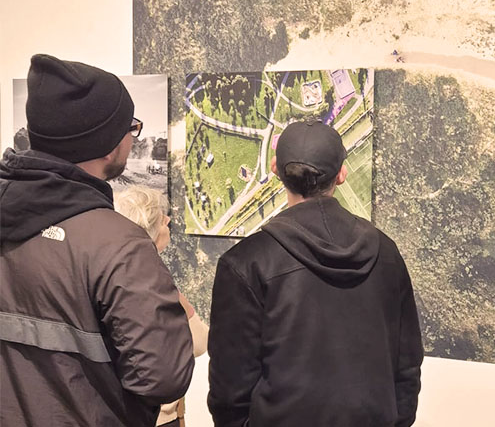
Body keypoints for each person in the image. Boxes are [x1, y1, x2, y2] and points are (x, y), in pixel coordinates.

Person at [0, 54, 194, 426]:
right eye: (130, 128)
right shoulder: (120, 244)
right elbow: (164, 376)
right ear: (109, 144)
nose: (132, 137)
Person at [208, 119, 423, 427]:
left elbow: (230, 390)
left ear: (274, 169)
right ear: (341, 175)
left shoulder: (245, 263)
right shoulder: (386, 252)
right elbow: (407, 366)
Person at [115, 186, 209, 427]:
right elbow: (199, 342)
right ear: (148, 227)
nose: (167, 219)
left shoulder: (112, 275)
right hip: (159, 417)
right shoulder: (155, 280)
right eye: (160, 216)